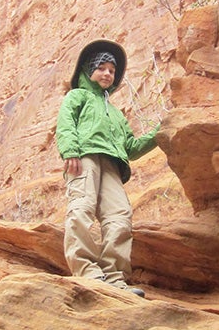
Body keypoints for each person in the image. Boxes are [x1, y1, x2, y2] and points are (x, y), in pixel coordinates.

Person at [55, 39, 159, 298]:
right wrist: (70, 150)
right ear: (89, 70)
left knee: (119, 216)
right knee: (81, 208)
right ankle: (87, 271)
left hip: (112, 164)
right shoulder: (77, 96)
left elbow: (132, 148)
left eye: (112, 71)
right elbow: (65, 122)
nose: (107, 74)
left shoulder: (116, 113)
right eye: (101, 68)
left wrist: (161, 132)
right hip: (84, 158)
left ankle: (114, 277)